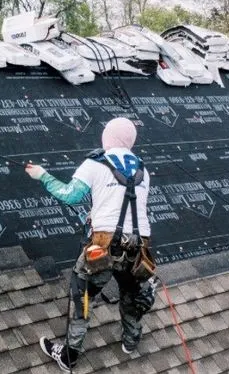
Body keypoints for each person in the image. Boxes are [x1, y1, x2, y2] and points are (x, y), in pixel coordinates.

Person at [25, 117, 156, 372]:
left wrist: (42, 175)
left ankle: (69, 355)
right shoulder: (143, 169)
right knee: (131, 294)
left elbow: (70, 195)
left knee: (82, 293)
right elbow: (125, 202)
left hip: (103, 243)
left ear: (107, 137)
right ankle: (131, 340)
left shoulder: (95, 163)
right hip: (139, 245)